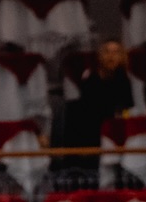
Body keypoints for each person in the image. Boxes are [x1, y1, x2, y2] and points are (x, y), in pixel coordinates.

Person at [57, 38, 135, 178]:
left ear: (121, 56)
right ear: (100, 56)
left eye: (115, 52)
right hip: (90, 133)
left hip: (114, 134)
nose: (111, 56)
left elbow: (127, 108)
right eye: (107, 52)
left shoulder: (124, 81)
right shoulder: (90, 79)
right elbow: (87, 110)